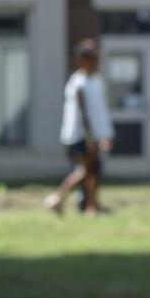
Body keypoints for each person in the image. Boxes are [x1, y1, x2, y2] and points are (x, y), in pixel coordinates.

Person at [49, 38, 110, 215]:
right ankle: (84, 204)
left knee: (92, 170)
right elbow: (84, 113)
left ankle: (84, 203)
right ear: (82, 60)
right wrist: (90, 137)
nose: (96, 62)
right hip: (80, 135)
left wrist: (106, 134)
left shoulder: (97, 80)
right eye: (92, 58)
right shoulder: (78, 83)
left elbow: (100, 112)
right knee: (88, 170)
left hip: (95, 134)